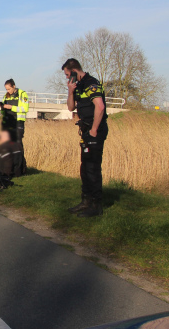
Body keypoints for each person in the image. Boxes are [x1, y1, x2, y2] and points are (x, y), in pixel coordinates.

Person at [64, 58, 108, 217]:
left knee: (93, 168)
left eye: (68, 75)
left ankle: (96, 205)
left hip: (95, 130)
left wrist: (94, 130)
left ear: (74, 71)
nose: (67, 78)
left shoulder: (91, 83)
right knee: (85, 167)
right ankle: (86, 201)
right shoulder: (77, 86)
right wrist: (70, 91)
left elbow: (100, 106)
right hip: (85, 130)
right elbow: (70, 107)